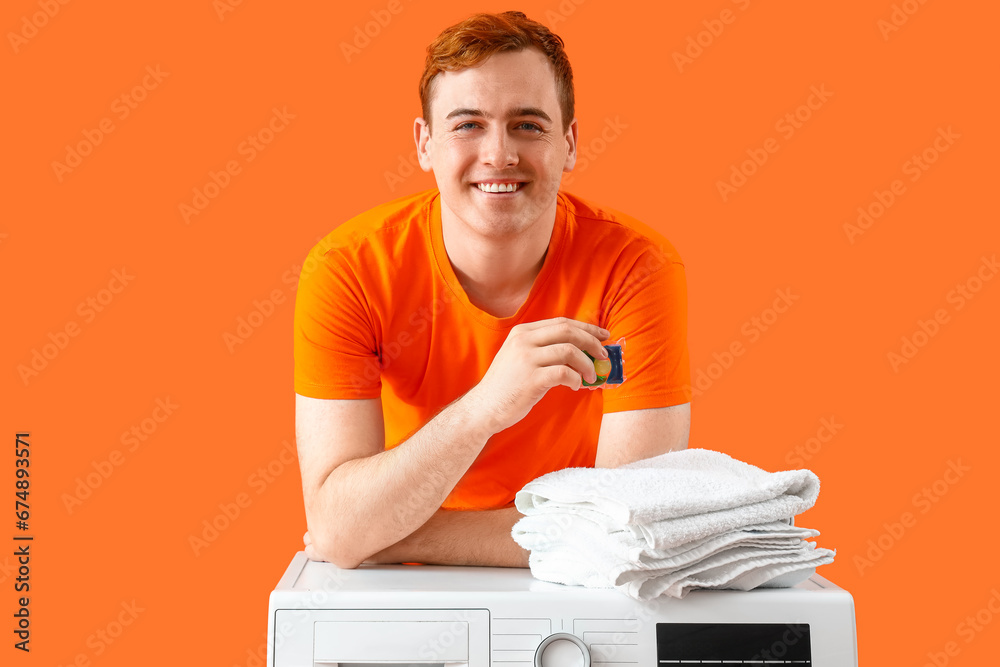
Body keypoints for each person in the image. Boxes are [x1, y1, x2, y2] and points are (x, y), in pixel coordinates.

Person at [293, 11, 691, 570]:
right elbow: (336, 525)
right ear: (425, 143)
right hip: (409, 600)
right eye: (467, 125)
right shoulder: (349, 269)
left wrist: (397, 537)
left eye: (528, 125)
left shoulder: (636, 268)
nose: (499, 154)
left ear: (569, 144)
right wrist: (488, 405)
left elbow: (633, 532)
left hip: (585, 594)